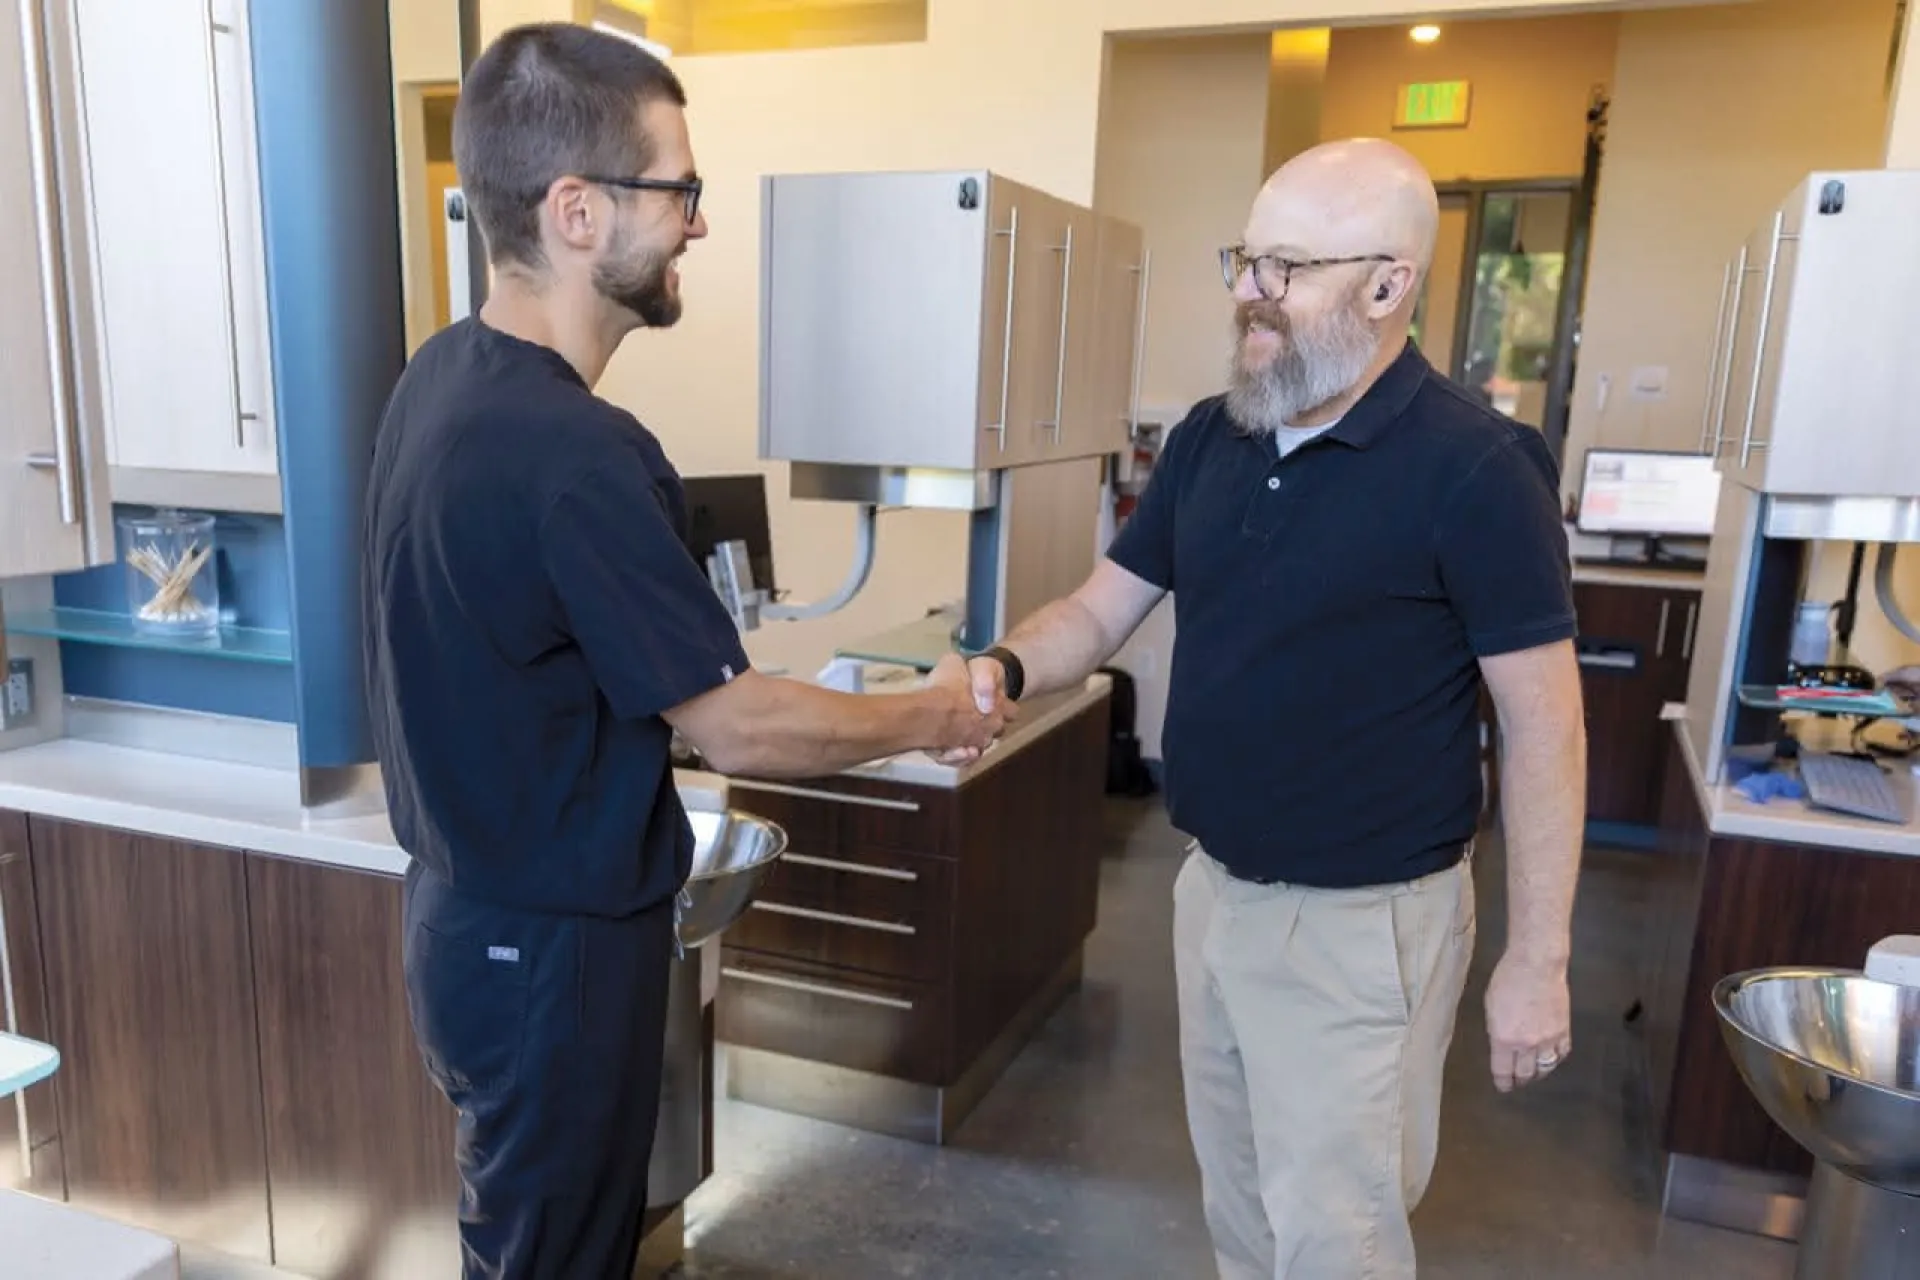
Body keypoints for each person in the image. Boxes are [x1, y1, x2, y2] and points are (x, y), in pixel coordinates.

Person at [361, 24, 1008, 1280]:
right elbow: (737, 725)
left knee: (528, 1245)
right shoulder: (576, 455)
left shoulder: (437, 380)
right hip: (551, 954)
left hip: (458, 927)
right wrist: (929, 714)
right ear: (578, 211)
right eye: (682, 190)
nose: (699, 224)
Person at [965, 138, 1586, 1279]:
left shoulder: (1478, 467)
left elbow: (1547, 728)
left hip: (1364, 929)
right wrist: (999, 670)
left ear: (1388, 285)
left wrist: (1536, 958)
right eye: (1244, 261)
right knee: (1244, 1215)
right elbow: (1101, 612)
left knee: (1334, 1240)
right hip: (1215, 894)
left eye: (1284, 268)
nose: (1248, 293)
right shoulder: (1216, 434)